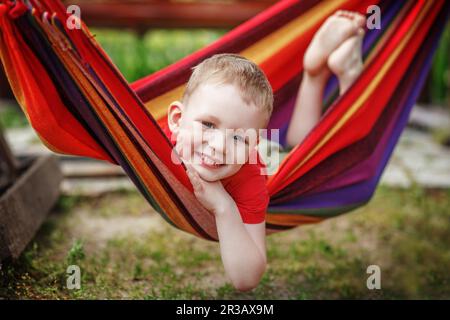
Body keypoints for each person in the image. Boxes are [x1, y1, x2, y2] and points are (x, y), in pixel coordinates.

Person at [164, 10, 366, 291]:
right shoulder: (154, 140)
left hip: (272, 163)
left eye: (237, 138)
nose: (219, 146)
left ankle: (345, 75)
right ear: (176, 120)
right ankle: (315, 71)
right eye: (208, 124)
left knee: (320, 156)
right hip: (266, 148)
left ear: (252, 145)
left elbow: (246, 279)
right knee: (295, 143)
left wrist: (224, 206)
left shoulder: (250, 182)